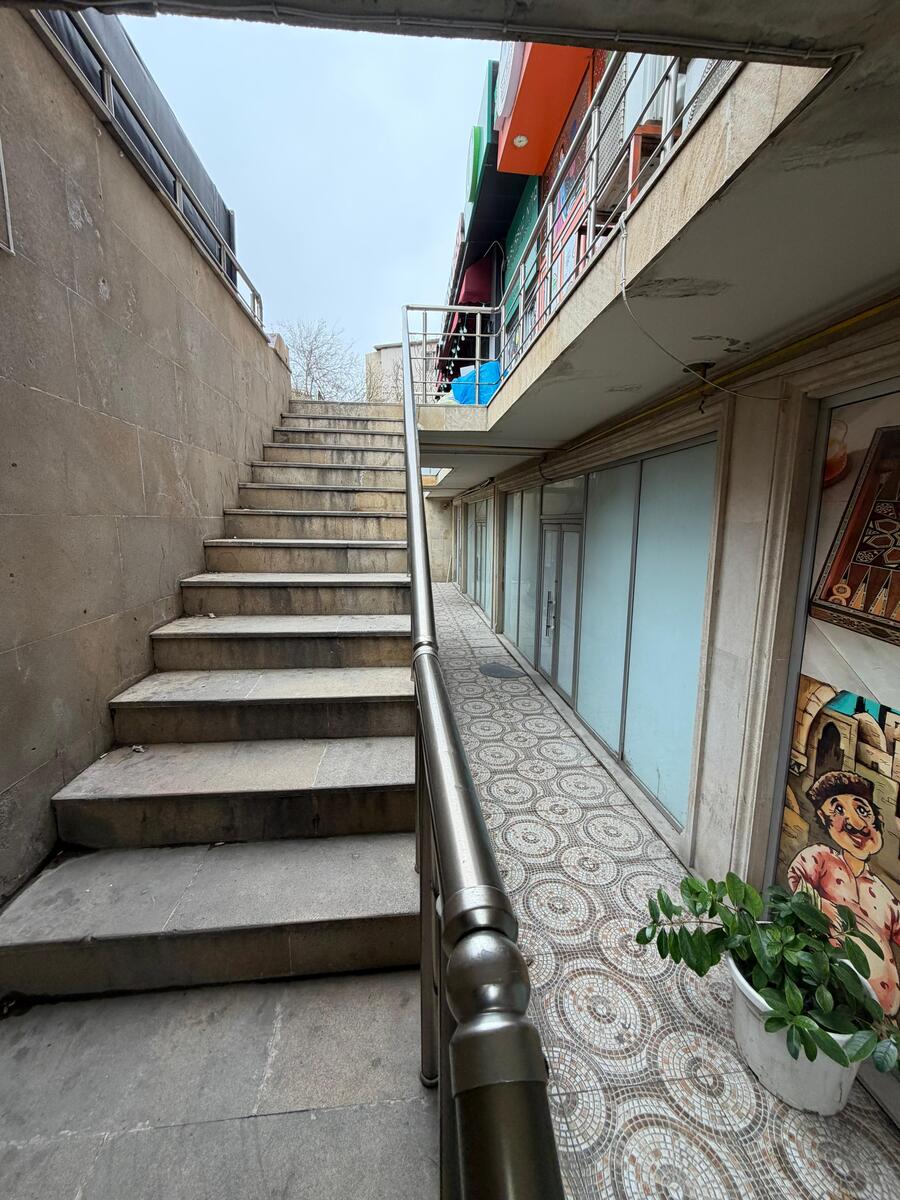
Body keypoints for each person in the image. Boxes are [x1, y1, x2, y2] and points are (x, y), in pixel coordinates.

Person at [788, 770, 900, 1015]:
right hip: (834, 999)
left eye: (862, 811)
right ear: (823, 819)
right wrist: (823, 910)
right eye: (838, 810)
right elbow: (798, 881)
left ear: (878, 819)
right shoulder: (821, 858)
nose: (855, 823)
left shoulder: (883, 894)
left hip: (882, 1016)